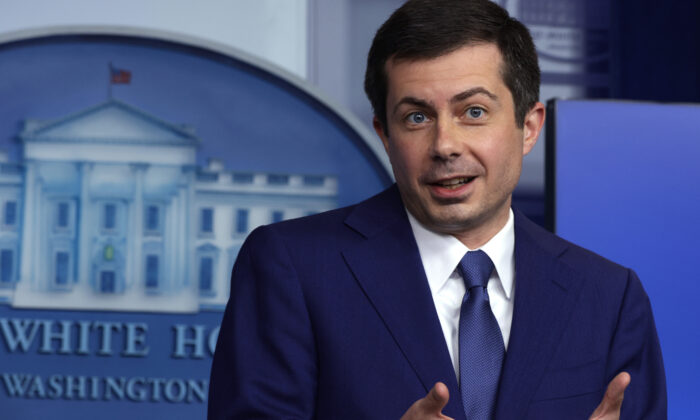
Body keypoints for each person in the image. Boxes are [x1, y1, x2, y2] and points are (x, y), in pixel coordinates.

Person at [208, 0, 667, 419]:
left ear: (528, 127)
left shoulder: (608, 297)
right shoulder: (293, 267)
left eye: (473, 112)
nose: (445, 145)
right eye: (417, 117)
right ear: (385, 135)